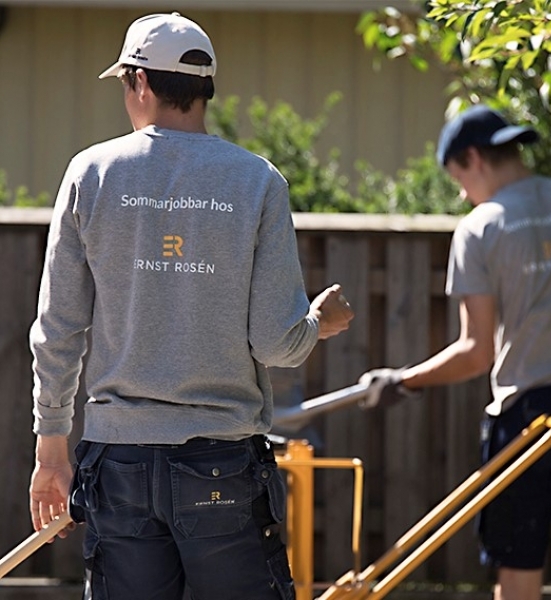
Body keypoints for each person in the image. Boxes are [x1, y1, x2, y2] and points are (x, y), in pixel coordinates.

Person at [28, 12, 354, 600]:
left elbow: (59, 328)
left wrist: (51, 448)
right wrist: (318, 323)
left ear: (140, 82)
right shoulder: (257, 182)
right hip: (223, 463)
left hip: (118, 461)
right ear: (203, 88)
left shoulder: (91, 173)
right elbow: (276, 344)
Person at [360, 104, 551, 600]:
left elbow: (476, 353)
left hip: (530, 417)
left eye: (458, 180)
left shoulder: (482, 228)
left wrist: (403, 381)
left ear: (473, 158)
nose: (462, 194)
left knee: (517, 565)